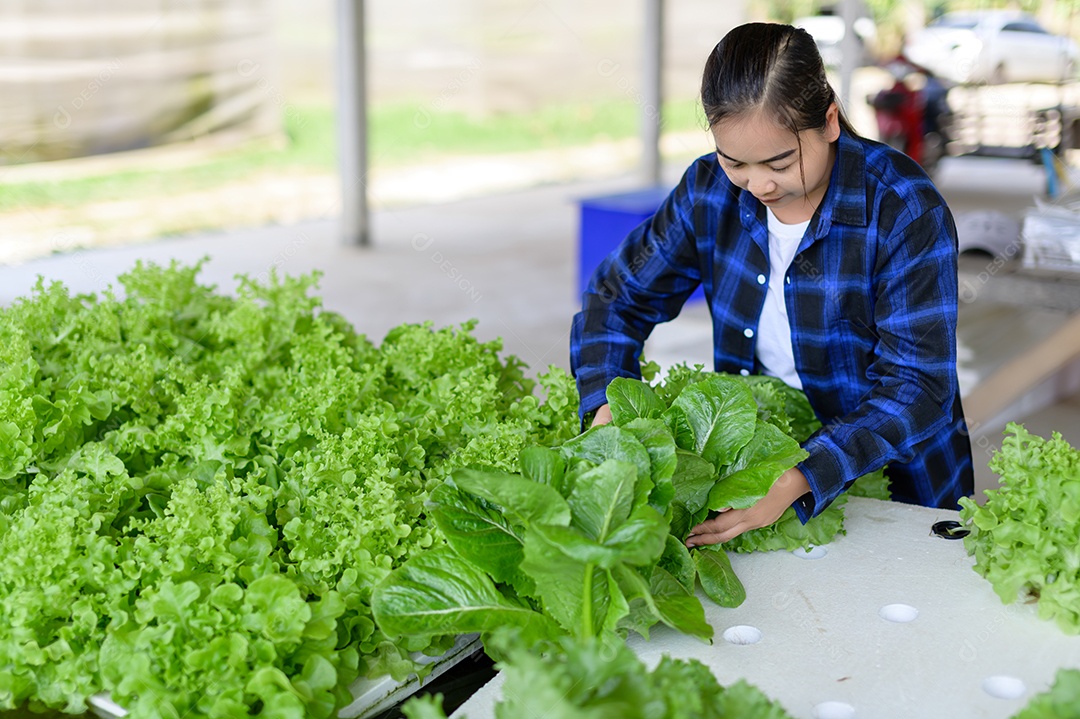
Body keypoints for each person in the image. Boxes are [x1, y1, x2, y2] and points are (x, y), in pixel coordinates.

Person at [569, 22, 974, 547]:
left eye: (780, 162)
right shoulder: (708, 190)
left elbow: (918, 386)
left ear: (829, 120)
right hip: (755, 472)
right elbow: (616, 297)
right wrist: (605, 404)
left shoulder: (902, 208)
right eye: (735, 161)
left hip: (899, 484)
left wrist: (800, 475)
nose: (758, 185)